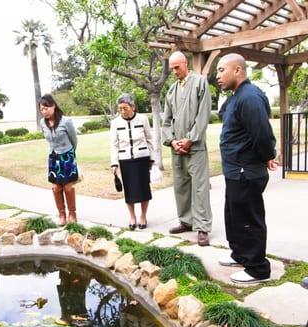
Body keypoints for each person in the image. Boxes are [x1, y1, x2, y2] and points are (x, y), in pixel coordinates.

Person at [215, 53, 277, 284]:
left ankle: (258, 269)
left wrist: (268, 156)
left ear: (238, 70)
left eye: (222, 70)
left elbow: (261, 133)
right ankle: (240, 255)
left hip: (246, 171)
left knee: (249, 219)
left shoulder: (250, 97)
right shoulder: (238, 96)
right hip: (235, 171)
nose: (218, 76)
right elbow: (225, 115)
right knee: (234, 217)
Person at [162, 51, 213, 246]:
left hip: (196, 147)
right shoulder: (171, 91)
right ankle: (185, 221)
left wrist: (190, 139)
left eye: (177, 67)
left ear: (185, 63)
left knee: (200, 188)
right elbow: (165, 121)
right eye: (172, 68)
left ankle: (202, 227)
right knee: (181, 186)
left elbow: (203, 115)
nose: (174, 72)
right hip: (177, 149)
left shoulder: (200, 83)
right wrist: (173, 141)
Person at [110, 93, 154, 230]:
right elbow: (114, 144)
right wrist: (114, 163)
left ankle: (143, 216)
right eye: (120, 109)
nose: (123, 111)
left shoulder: (143, 119)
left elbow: (149, 139)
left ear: (133, 107)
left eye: (125, 108)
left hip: (142, 158)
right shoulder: (115, 123)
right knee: (129, 190)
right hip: (125, 160)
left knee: (144, 189)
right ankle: (132, 216)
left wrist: (152, 158)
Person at [39, 94, 79, 225]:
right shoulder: (42, 123)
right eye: (42, 109)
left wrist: (70, 155)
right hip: (53, 157)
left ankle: (72, 214)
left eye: (46, 108)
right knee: (56, 188)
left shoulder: (66, 121)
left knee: (68, 187)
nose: (44, 111)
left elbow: (74, 140)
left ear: (54, 106)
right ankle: (61, 214)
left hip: (67, 157)